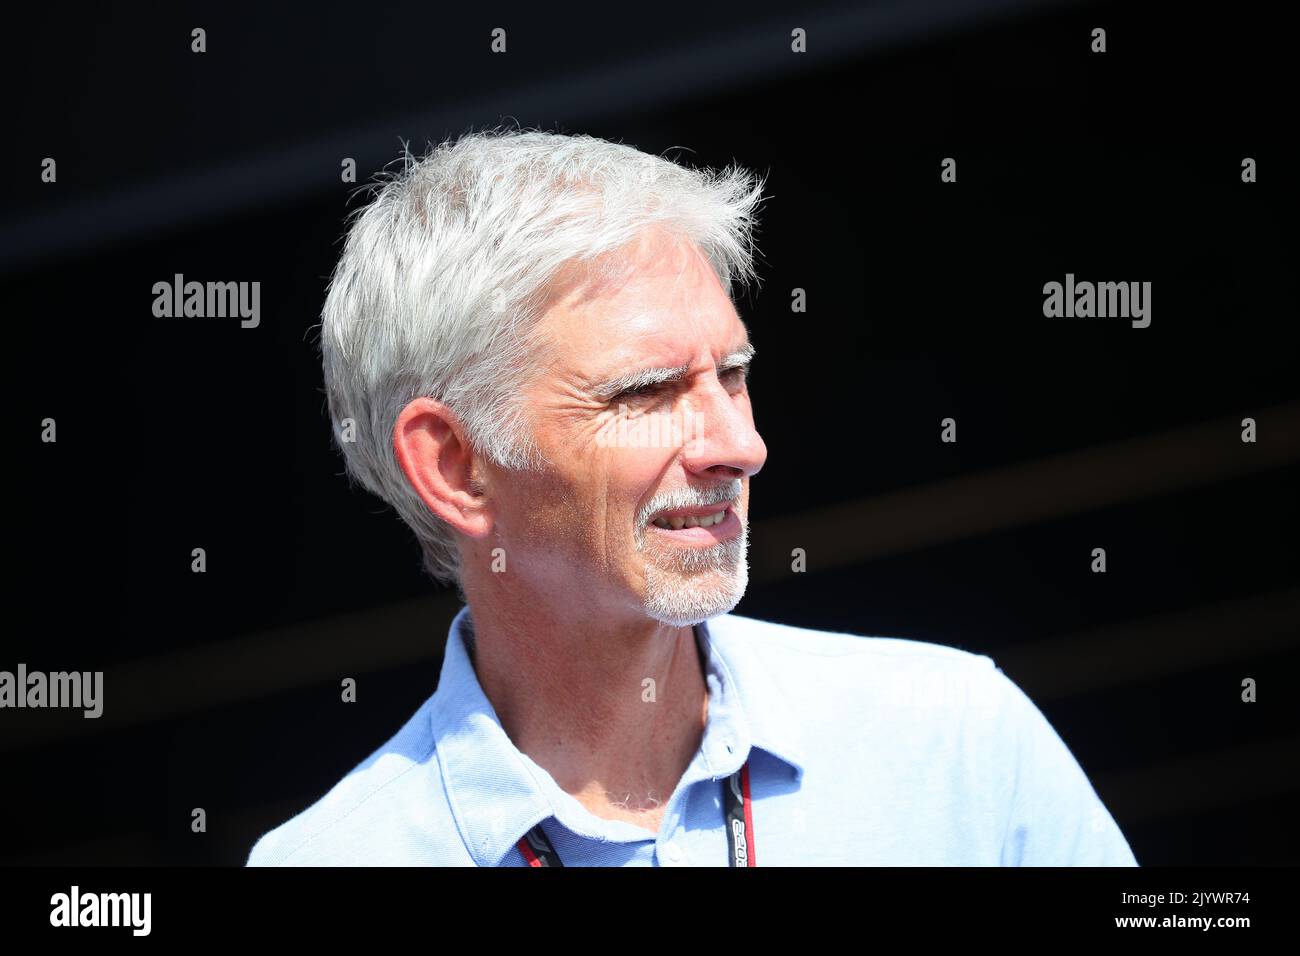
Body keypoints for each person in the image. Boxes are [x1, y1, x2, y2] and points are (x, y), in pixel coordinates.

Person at [246, 128, 1137, 866]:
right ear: (453, 466)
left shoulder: (953, 742)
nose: (739, 448)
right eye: (644, 394)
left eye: (734, 375)